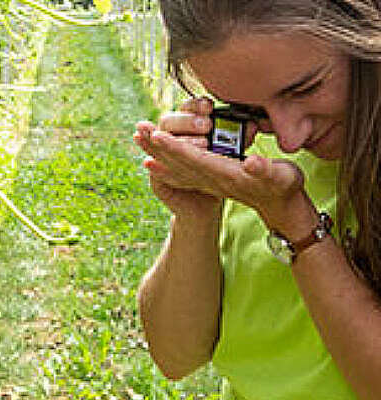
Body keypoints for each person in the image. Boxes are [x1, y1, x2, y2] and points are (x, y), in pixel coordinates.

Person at [132, 1, 381, 399]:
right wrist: (197, 217)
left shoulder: (273, 191)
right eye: (250, 110)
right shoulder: (255, 158)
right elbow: (175, 357)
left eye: (305, 88)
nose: (288, 138)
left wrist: (294, 222)